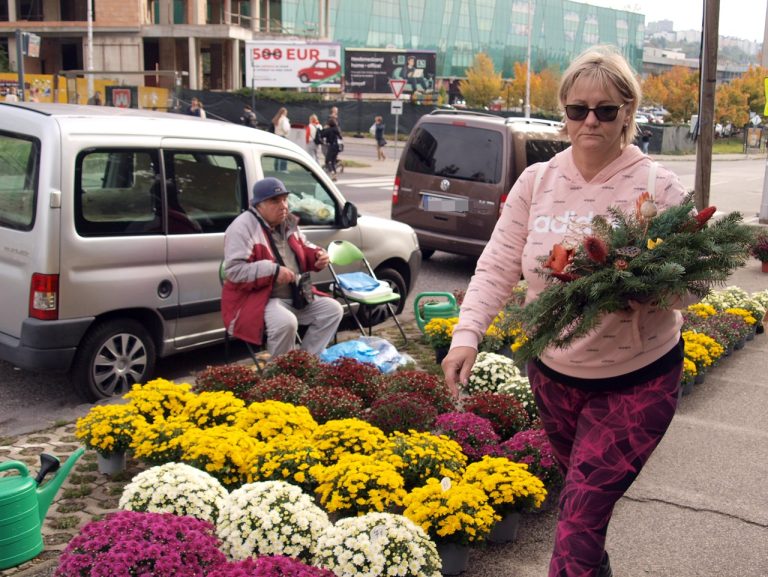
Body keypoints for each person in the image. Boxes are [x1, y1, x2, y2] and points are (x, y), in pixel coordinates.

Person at [441, 45, 688, 577]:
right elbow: (498, 264)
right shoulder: (537, 181)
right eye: (578, 110)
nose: (591, 121)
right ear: (565, 114)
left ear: (628, 112)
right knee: (584, 516)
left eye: (605, 109)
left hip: (637, 382)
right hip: (554, 378)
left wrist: (647, 287)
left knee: (576, 523)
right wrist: (467, 335)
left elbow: (692, 285)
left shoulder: (658, 187)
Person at [221, 177, 343, 358]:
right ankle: (278, 375)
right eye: (274, 201)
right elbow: (234, 271)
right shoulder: (242, 227)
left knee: (333, 310)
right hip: (262, 298)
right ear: (258, 205)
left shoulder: (288, 222)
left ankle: (304, 362)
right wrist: (273, 271)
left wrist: (317, 255)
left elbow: (304, 245)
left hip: (296, 293)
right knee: (286, 322)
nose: (283, 206)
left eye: (285, 199)